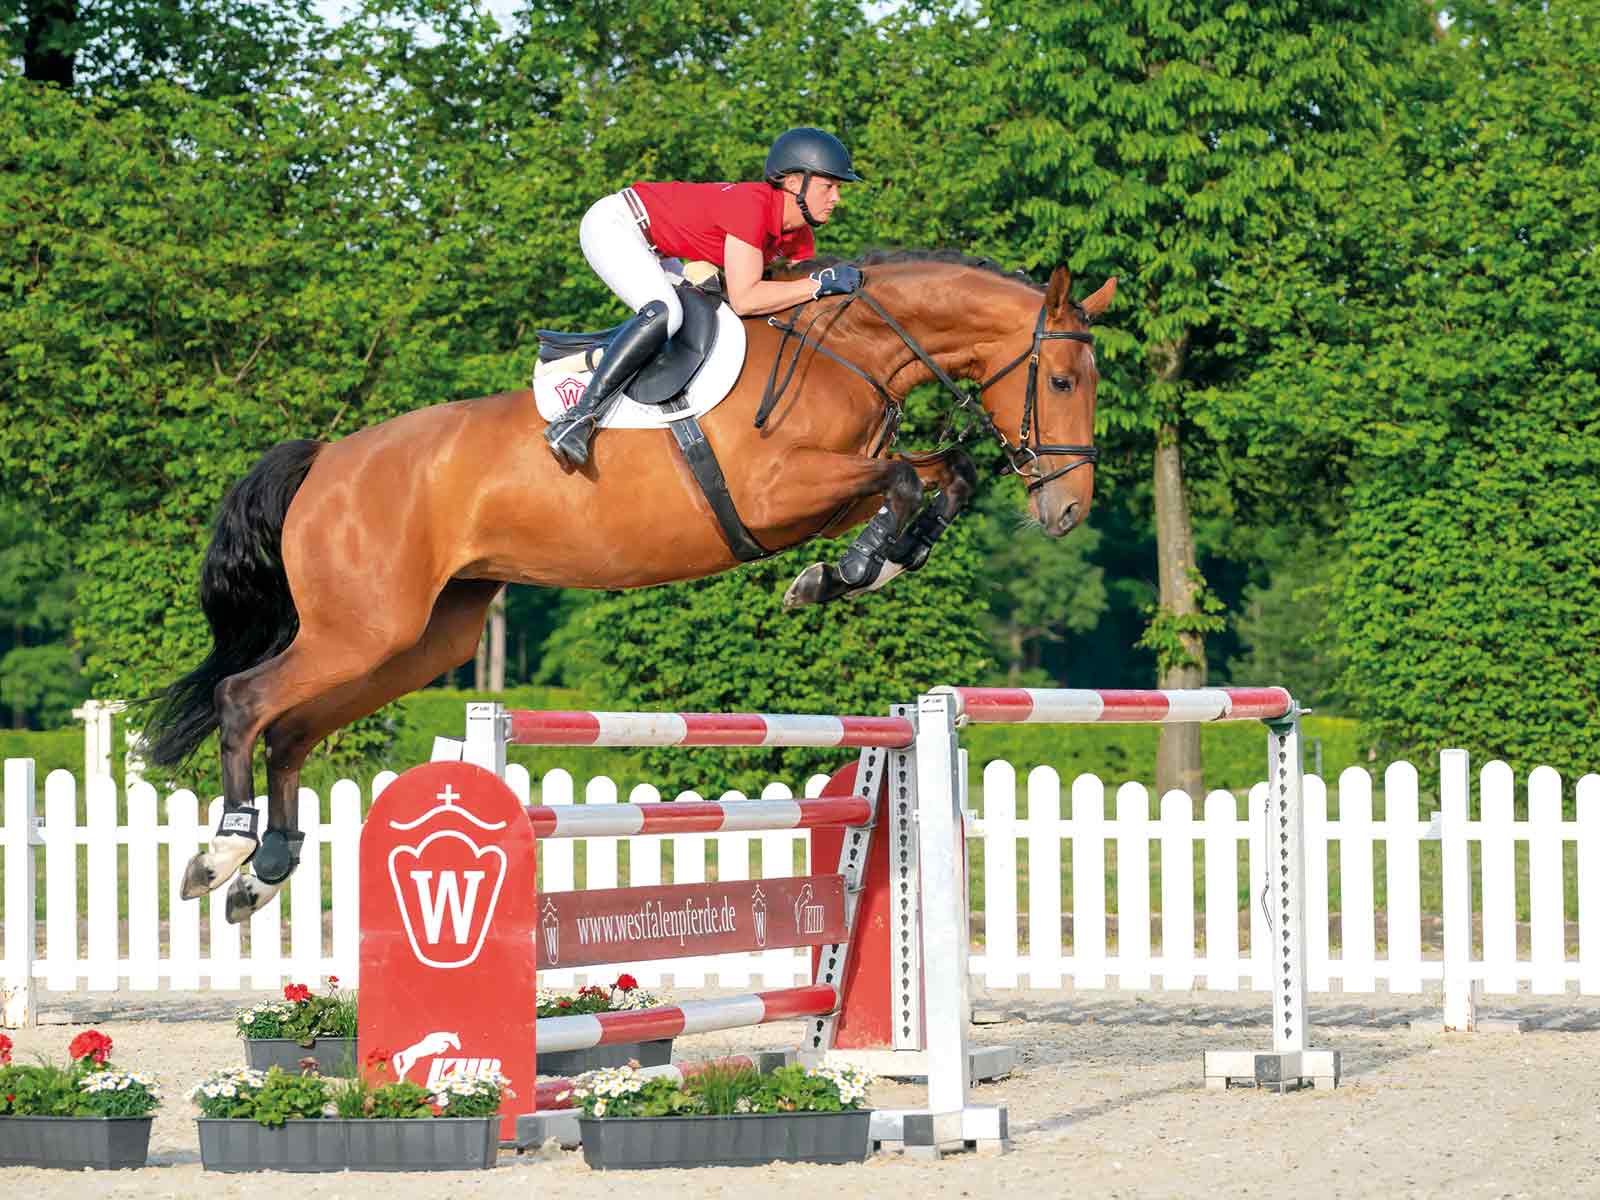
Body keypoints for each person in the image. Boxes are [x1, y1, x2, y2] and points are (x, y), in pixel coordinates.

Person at [544, 127, 865, 467]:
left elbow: (795, 301)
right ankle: (577, 419)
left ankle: (581, 355)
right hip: (616, 225)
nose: (836, 198)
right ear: (793, 183)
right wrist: (818, 284)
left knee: (705, 319)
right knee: (666, 312)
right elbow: (747, 299)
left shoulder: (799, 236)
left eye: (838, 188)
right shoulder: (753, 206)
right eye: (828, 186)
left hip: (658, 248)